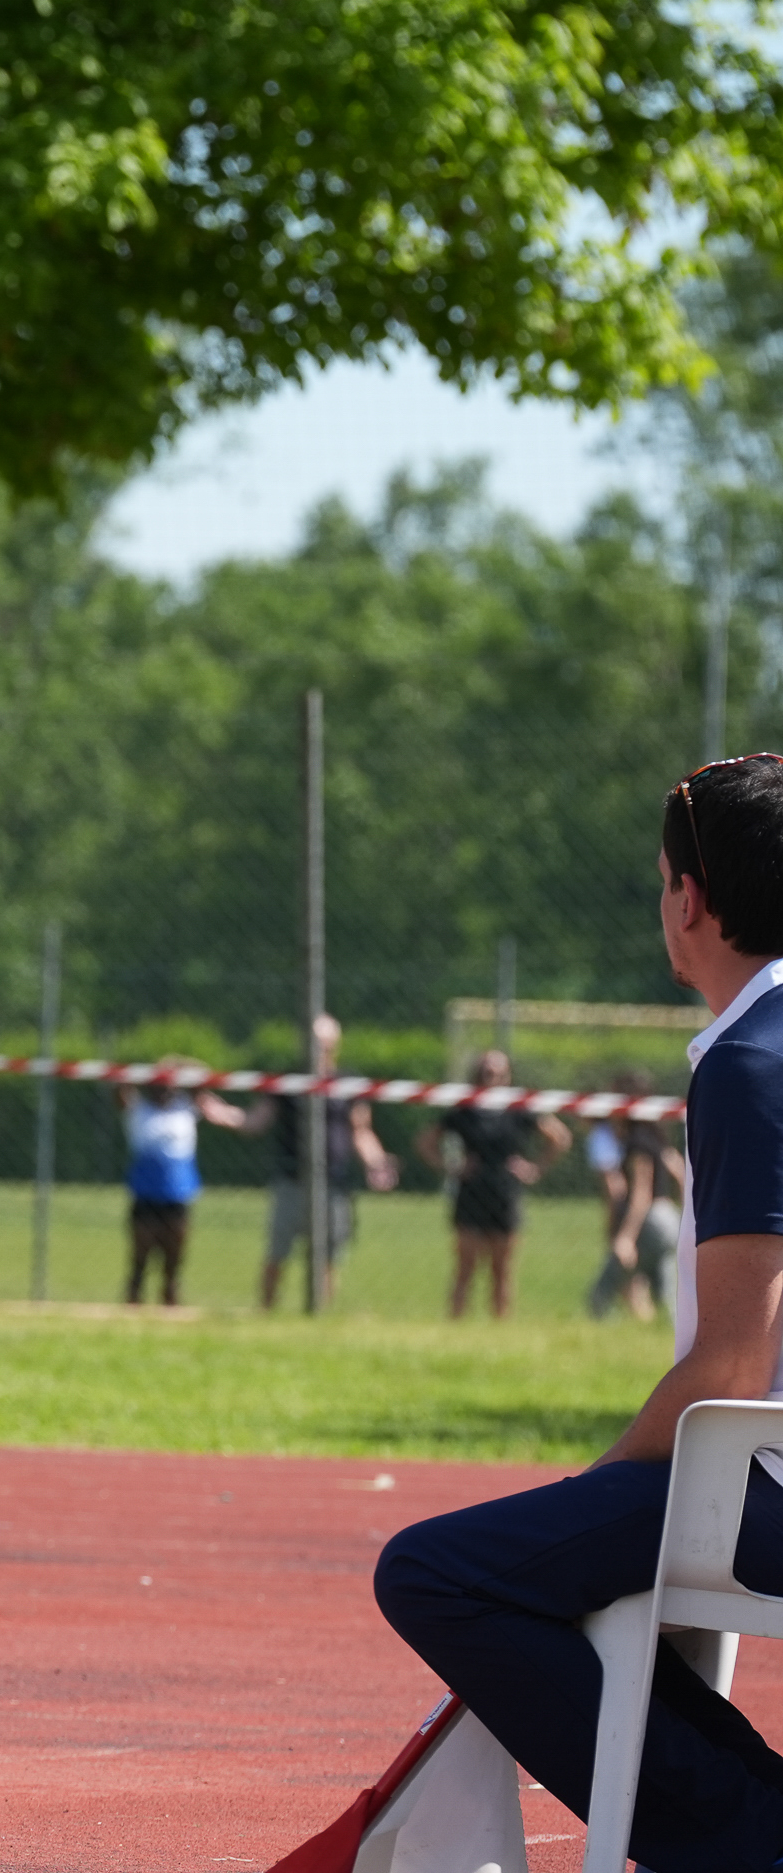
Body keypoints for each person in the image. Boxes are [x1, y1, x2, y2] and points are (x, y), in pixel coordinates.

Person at [377, 752, 783, 1869]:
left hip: (767, 1482)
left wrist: (600, 1479)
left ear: (689, 899)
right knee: (564, 1555)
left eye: (661, 880)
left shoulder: (752, 1061)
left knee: (440, 1574)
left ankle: (754, 1833)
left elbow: (731, 1368)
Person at [227, 1014, 398, 1310]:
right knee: (277, 1254)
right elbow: (255, 1121)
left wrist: (377, 1162)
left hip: (334, 1183)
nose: (318, 1050)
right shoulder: (287, 1080)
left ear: (335, 1046)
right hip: (292, 1180)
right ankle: (265, 1312)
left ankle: (319, 1314)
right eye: (312, 1043)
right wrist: (218, 1111)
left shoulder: (348, 1082)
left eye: (324, 1045)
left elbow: (361, 1131)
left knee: (328, 1258)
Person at [415, 1049, 570, 1320]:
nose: (492, 1079)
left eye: (498, 1074)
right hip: (471, 1192)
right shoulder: (464, 1110)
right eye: (486, 1073)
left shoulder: (519, 1108)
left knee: (502, 1269)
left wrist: (535, 1167)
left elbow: (559, 1138)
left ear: (508, 1077)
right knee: (465, 1267)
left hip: (505, 1192)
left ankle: (500, 1325)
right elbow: (425, 1142)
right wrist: (452, 1167)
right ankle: (455, 1324)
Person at [121, 1063, 228, 1306]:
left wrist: (177, 1064)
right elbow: (121, 1089)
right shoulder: (139, 1109)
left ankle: (170, 1299)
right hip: (146, 1193)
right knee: (141, 1253)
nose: (164, 1091)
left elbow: (202, 1080)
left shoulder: (186, 1107)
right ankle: (133, 1299)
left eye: (168, 1086)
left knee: (174, 1254)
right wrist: (142, 1072)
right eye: (159, 1086)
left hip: (177, 1193)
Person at [589, 1067, 688, 1321]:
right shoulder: (658, 1136)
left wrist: (626, 1237)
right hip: (669, 1217)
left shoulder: (637, 1142)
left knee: (601, 1295)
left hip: (650, 1220)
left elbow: (641, 1193)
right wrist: (686, 1218)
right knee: (665, 1295)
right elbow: (680, 1173)